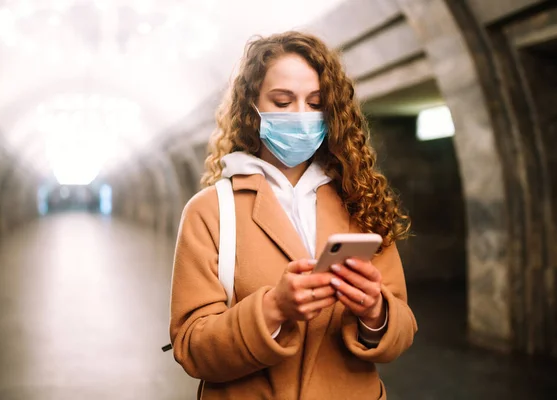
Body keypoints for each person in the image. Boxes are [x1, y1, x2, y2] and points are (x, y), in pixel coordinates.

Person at [169, 31, 417, 400]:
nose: (301, 115)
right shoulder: (210, 211)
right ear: (252, 108)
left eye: (315, 102)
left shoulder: (358, 200)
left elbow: (401, 332)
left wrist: (375, 311)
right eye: (282, 101)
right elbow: (192, 347)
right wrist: (274, 309)